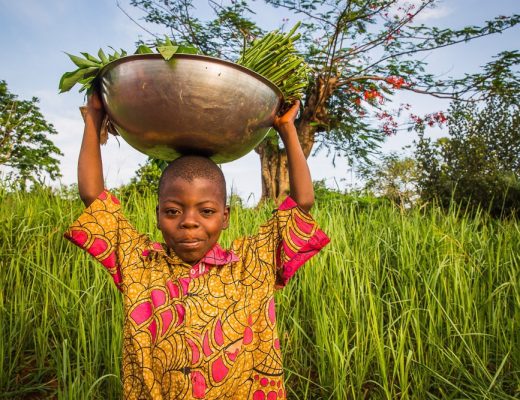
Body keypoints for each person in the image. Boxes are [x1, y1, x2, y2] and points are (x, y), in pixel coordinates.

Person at [65, 91, 330, 399]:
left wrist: (287, 129)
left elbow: (302, 203)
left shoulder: (251, 266)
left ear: (225, 216)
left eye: (206, 211)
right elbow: (93, 196)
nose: (189, 222)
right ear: (158, 215)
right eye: (173, 211)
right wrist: (94, 118)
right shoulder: (139, 264)